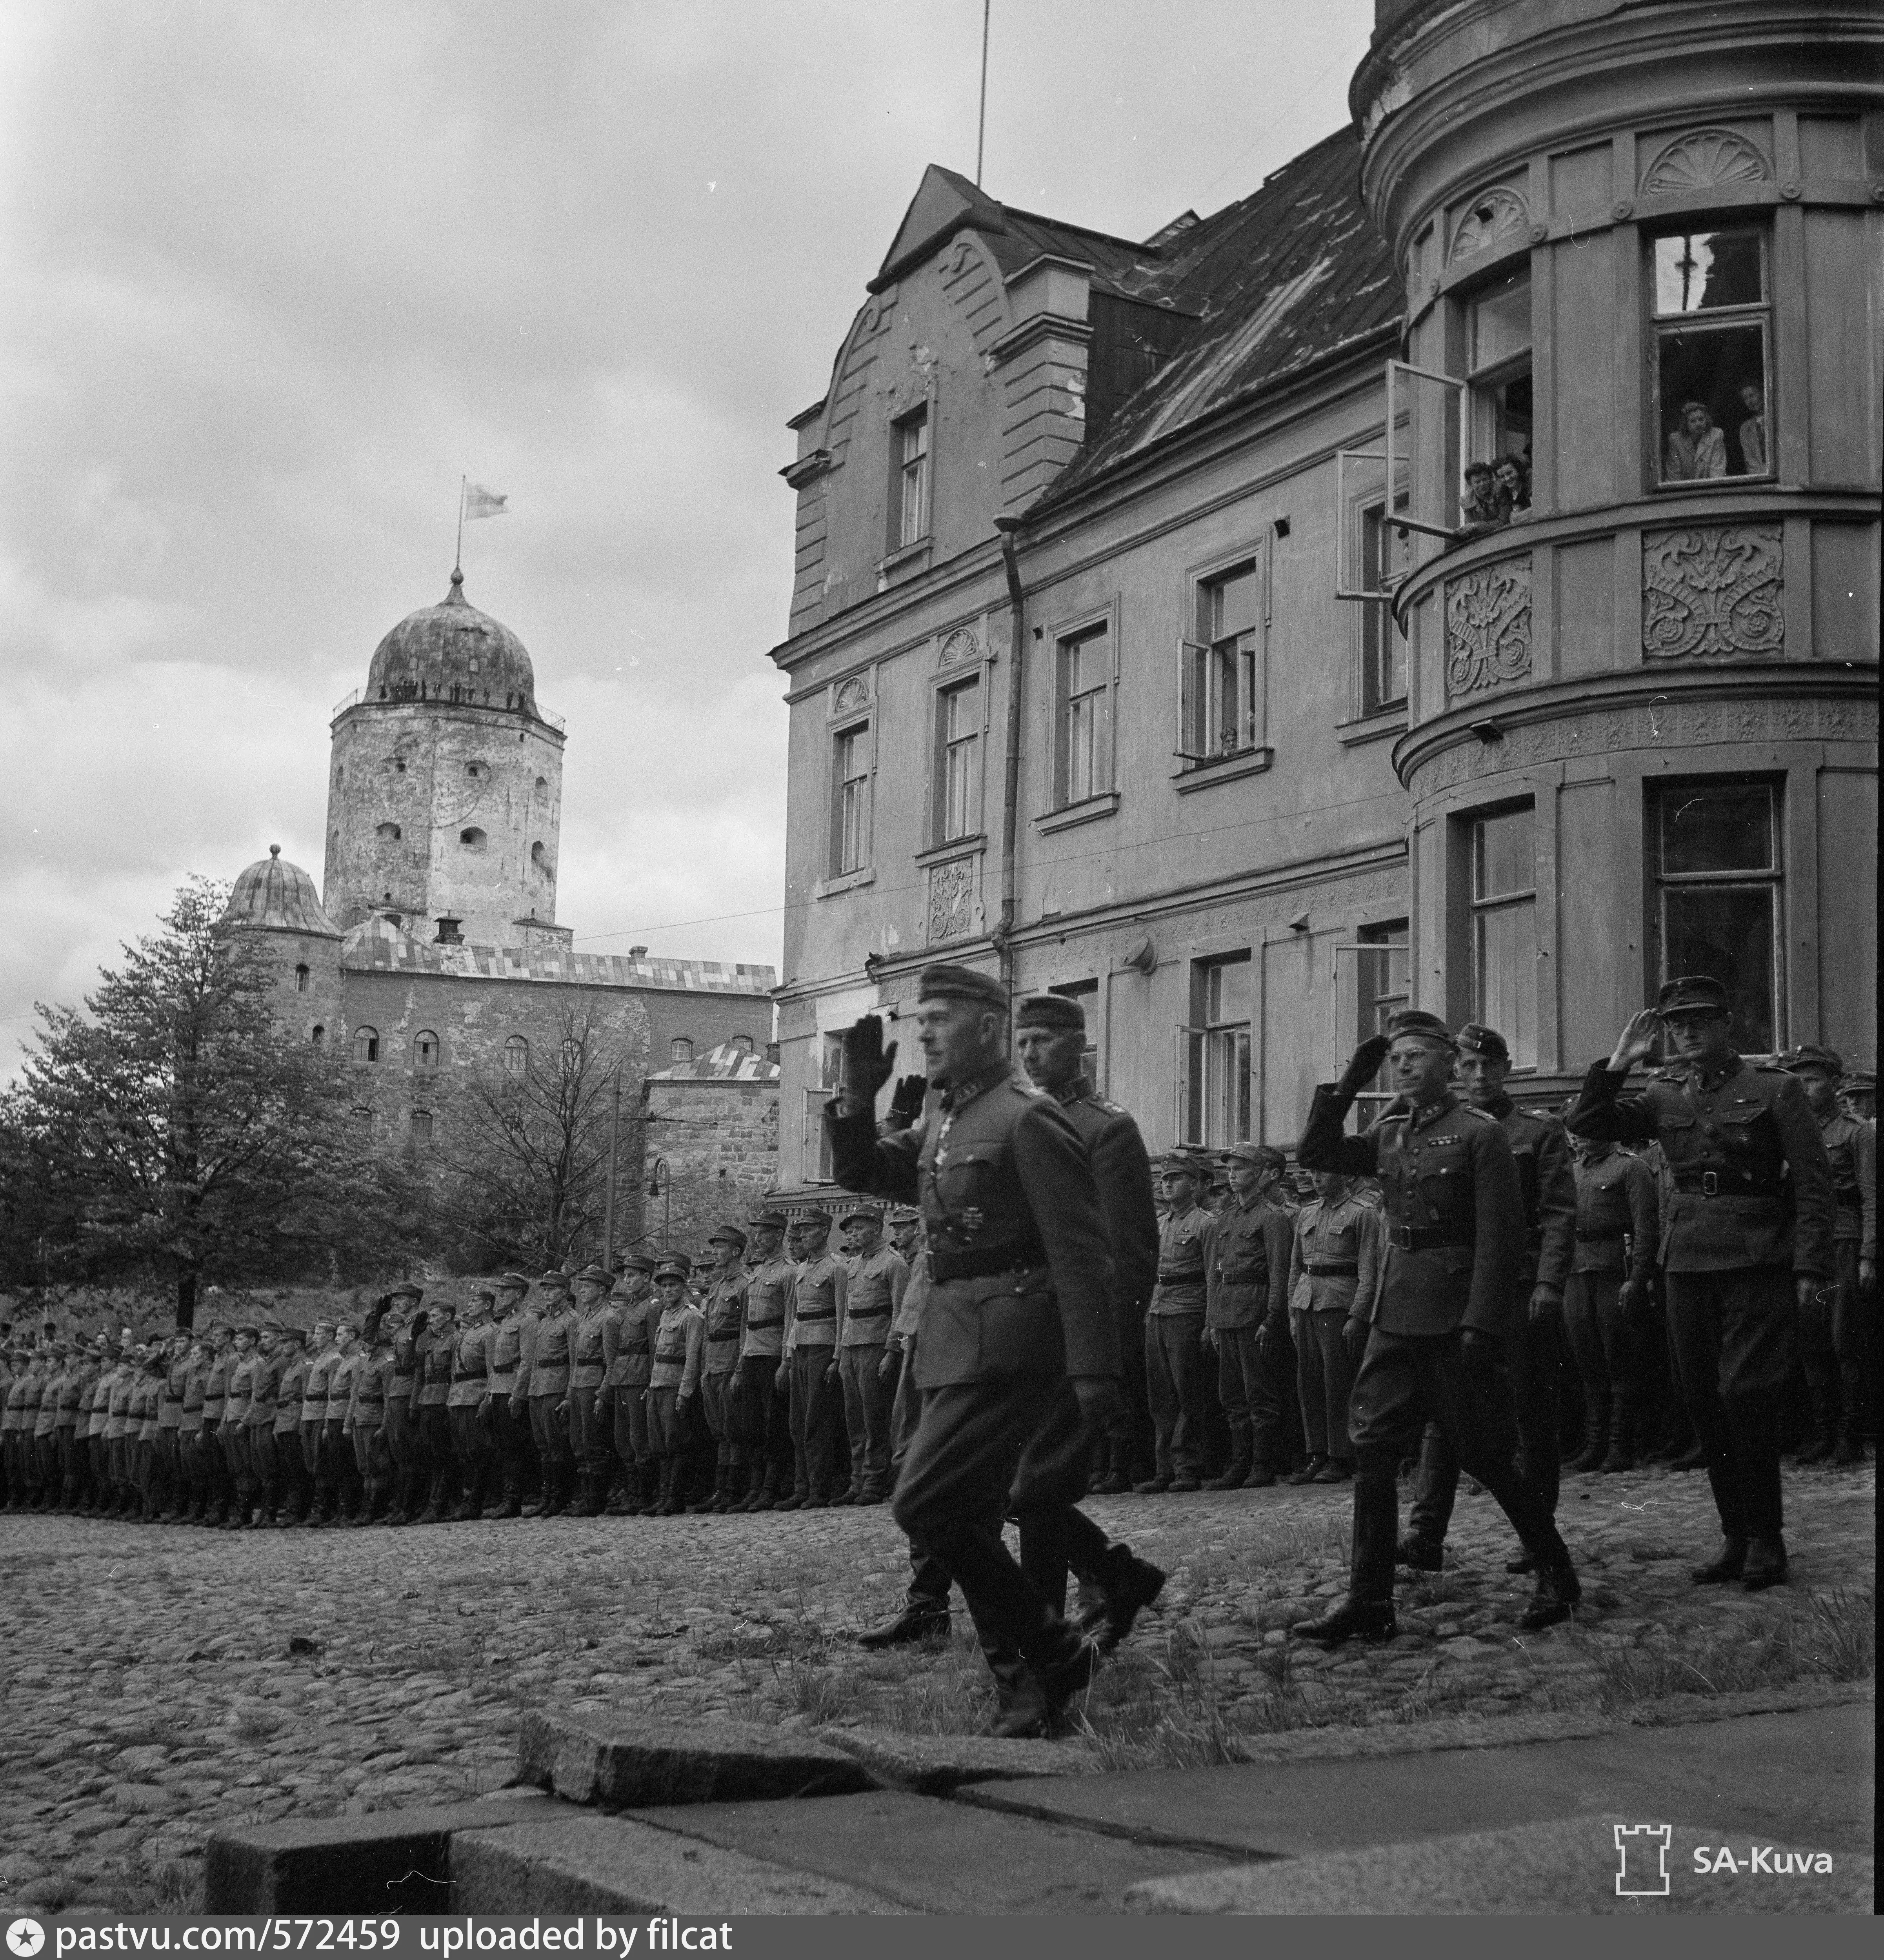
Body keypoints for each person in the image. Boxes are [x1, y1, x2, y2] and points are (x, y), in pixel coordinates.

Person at [825, 964, 1120, 1736]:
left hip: (1015, 1337)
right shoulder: (947, 1118)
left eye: (939, 1017)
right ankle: (1028, 1678)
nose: (922, 1030)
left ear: (988, 1028)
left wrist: (1092, 1366)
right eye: (920, 1018)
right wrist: (856, 1099)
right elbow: (863, 1172)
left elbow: (1082, 1251)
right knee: (962, 1511)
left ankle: (1049, 1652)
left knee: (923, 1501)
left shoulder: (1027, 1118)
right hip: (955, 1336)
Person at [1296, 1010, 1582, 1643]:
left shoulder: (1478, 1134)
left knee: (1484, 1453)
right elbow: (1317, 1153)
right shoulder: (1390, 1130)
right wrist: (1346, 1083)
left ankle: (1556, 1572)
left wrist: (1480, 1323)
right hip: (1393, 1317)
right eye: (1394, 1056)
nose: (1402, 1065)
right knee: (1371, 1452)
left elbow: (1500, 1238)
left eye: (1414, 1055)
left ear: (1446, 1064)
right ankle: (1368, 1600)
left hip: (1453, 1320)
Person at [1566, 975, 1836, 1589]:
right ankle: (1735, 1535)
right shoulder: (1662, 1093)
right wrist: (1618, 1063)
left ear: (1727, 1022)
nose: (1687, 1031)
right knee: (1703, 1399)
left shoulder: (1775, 1087)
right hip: (1685, 1256)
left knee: (1747, 1394)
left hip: (1757, 1257)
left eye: (1699, 1019)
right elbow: (1590, 1119)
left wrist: (1810, 1267)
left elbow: (1815, 1185)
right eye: (1676, 1023)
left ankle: (1768, 1536)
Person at [1404, 1023, 1577, 1571]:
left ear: (1505, 1069)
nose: (1479, 1077)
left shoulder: (1537, 1131)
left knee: (1532, 1409)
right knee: (1442, 1405)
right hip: (1460, 1286)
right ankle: (1426, 1534)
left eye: (1489, 1066)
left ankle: (1537, 1534)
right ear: (1455, 1069)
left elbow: (1557, 1213)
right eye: (1469, 1066)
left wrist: (1549, 1281)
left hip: (1522, 1287)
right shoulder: (1444, 1130)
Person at [1013, 990, 1158, 1499]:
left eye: (1044, 1040)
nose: (1031, 1053)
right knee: (1015, 1483)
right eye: (1023, 1041)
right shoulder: (1018, 1121)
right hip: (1015, 1331)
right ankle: (1107, 1571)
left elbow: (1129, 1255)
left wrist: (1103, 1356)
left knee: (1039, 1486)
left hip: (1075, 1336)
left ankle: (1091, 1572)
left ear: (1077, 1044)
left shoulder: (1106, 1129)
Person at [1778, 1045, 1874, 1465]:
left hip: (1845, 1243)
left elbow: (1873, 1198)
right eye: (1797, 1081)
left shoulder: (1857, 1133)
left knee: (1844, 1342)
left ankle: (1849, 1436)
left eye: (1812, 1080)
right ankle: (1822, 1432)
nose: (1804, 1088)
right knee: (1811, 1341)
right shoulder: (1793, 1132)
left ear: (1835, 1084)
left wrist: (1869, 1255)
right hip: (1806, 1248)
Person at [1561, 1135, 1659, 1471]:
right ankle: (1595, 1444)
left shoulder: (1631, 1168)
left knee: (1620, 1358)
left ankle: (1620, 1446)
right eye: (1575, 1128)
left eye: (1591, 1127)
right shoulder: (1572, 1170)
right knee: (1587, 1360)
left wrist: (1638, 1276)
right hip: (1576, 1270)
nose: (1580, 1135)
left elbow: (1646, 1226)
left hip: (1614, 1271)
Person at [1207, 1143, 1298, 1490]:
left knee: (1260, 1394)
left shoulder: (1273, 1218)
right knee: (1232, 1396)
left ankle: (1263, 1465)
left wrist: (1272, 1318)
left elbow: (1279, 1273)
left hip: (1254, 1312)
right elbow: (1217, 1271)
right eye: (1229, 1169)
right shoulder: (1227, 1218)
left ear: (1260, 1174)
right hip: (1228, 1313)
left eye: (1241, 1169)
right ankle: (1240, 1464)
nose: (1232, 1175)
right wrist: (1214, 1318)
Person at [1286, 1168, 1383, 1484]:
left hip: (1339, 1304)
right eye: (1312, 1172)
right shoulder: (1306, 1213)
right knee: (1309, 1382)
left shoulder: (1363, 1215)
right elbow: (1296, 1266)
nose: (1316, 1178)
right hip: (1306, 1302)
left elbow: (1370, 1271)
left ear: (1347, 1175)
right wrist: (1291, 1309)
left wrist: (1358, 1315)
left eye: (1324, 1172)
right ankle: (1317, 1454)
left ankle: (1342, 1456)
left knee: (1337, 1382)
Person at [1139, 1152, 1217, 1493]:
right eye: (1165, 1178)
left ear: (1195, 1184)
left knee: (1188, 1392)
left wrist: (1209, 1322)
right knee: (1160, 1395)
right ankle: (1164, 1469)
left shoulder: (1206, 1224)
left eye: (1176, 1178)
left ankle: (1188, 1467)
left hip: (1188, 1310)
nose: (1167, 1183)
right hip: (1158, 1310)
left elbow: (1213, 1278)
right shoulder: (1159, 1223)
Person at [834, 1207, 905, 1507]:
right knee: (855, 1419)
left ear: (877, 1228)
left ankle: (877, 1481)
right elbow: (845, 1315)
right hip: (852, 1348)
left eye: (860, 1228)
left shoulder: (895, 1264)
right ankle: (858, 1481)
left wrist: (891, 1353)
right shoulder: (851, 1266)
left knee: (876, 1418)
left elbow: (900, 1312)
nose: (854, 1234)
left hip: (876, 1348)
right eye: (851, 1229)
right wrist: (840, 1354)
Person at [781, 1208, 848, 1509]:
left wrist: (837, 1356)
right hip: (801, 1348)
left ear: (824, 1231)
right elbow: (794, 1316)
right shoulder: (802, 1268)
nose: (802, 1235)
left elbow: (843, 1313)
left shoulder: (838, 1267)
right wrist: (788, 1354)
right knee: (797, 1422)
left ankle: (819, 1490)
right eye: (800, 1230)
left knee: (817, 1422)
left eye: (808, 1230)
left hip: (823, 1347)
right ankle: (802, 1486)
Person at [733, 1216, 794, 1512]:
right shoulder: (756, 1274)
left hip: (773, 1355)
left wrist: (785, 1361)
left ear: (780, 1235)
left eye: (764, 1234)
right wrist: (740, 1365)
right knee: (752, 1426)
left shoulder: (789, 1272)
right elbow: (746, 1323)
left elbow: (791, 1320)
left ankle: (771, 1487)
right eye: (755, 1234)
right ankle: (755, 1487)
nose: (757, 1239)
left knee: (774, 1426)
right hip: (753, 1355)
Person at [513, 1271, 578, 1518]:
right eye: (545, 1289)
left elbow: (574, 1360)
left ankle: (560, 1498)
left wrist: (569, 1395)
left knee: (557, 1445)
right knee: (543, 1446)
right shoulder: (544, 1322)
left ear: (564, 1291)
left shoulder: (572, 1320)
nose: (547, 1293)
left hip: (557, 1386)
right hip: (538, 1387)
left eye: (552, 1289)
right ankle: (547, 1496)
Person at [694, 1229, 750, 1513]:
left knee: (734, 1430)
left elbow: (744, 1332)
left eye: (721, 1247)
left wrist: (740, 1368)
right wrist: (704, 1368)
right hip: (713, 1365)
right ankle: (720, 1490)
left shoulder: (745, 1285)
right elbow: (706, 1333)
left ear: (737, 1252)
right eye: (714, 1246)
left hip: (731, 1363)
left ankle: (733, 1491)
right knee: (719, 1431)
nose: (715, 1252)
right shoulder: (715, 1288)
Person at [646, 1258, 706, 1515]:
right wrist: (651, 1385)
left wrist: (685, 1391)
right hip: (658, 1385)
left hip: (674, 1386)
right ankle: (662, 1496)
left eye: (672, 1285)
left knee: (676, 1443)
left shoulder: (691, 1316)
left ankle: (675, 1497)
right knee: (660, 1445)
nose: (667, 1290)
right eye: (664, 1286)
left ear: (683, 1286)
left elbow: (692, 1358)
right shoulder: (665, 1314)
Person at [605, 1257, 658, 1516]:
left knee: (640, 1440)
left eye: (633, 1275)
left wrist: (651, 1382)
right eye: (625, 1276)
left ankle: (643, 1495)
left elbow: (655, 1348)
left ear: (647, 1277)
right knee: (623, 1440)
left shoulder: (652, 1307)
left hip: (640, 1378)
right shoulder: (628, 1308)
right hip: (623, 1378)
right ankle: (631, 1491)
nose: (627, 1280)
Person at [484, 1273, 536, 1519]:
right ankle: (509, 1497)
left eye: (505, 1291)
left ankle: (515, 1500)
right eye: (499, 1291)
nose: (500, 1296)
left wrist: (518, 1394)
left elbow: (527, 1362)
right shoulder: (504, 1322)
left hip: (512, 1390)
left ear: (518, 1293)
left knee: (515, 1446)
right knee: (502, 1446)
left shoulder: (527, 1321)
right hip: (498, 1388)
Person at [566, 1268, 618, 1517]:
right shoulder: (584, 1318)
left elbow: (612, 1362)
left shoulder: (608, 1318)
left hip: (594, 1385)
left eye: (588, 1286)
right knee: (579, 1443)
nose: (582, 1289)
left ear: (602, 1290)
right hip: (578, 1385)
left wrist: (603, 1394)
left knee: (594, 1443)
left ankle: (596, 1500)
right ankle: (586, 1498)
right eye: (582, 1285)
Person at [381, 1283, 425, 1524]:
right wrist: (379, 1312)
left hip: (409, 1390)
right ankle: (403, 1505)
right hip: (397, 1389)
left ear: (414, 1301)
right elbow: (370, 1336)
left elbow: (417, 1365)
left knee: (410, 1451)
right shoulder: (402, 1328)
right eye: (395, 1298)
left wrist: (415, 1399)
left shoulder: (420, 1326)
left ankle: (411, 1507)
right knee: (399, 1450)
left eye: (402, 1298)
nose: (396, 1302)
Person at [410, 1303, 457, 1524]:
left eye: (435, 1316)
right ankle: (438, 1504)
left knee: (442, 1456)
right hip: (427, 1399)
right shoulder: (431, 1340)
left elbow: (458, 1373)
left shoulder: (456, 1339)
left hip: (444, 1399)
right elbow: (418, 1365)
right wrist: (415, 1404)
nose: (431, 1320)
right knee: (430, 1454)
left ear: (448, 1317)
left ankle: (439, 1506)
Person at [272, 1326, 312, 1524]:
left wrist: (301, 1424)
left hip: (295, 1421)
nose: (280, 1347)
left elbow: (306, 1398)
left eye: (284, 1343)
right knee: (289, 1468)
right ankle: (292, 1508)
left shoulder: (305, 1366)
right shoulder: (290, 1367)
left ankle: (297, 1511)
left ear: (296, 1344)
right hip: (284, 1420)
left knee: (297, 1468)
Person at [1664, 401, 1727, 481]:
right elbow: (1674, 475)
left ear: (1706, 419)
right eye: (1693, 421)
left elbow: (1717, 473)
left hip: (1711, 489)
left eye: (1701, 419)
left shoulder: (1716, 435)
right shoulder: (1676, 440)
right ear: (1686, 424)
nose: (1698, 424)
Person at [1458, 461, 1509, 534]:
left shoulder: (1500, 491)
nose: (1482, 484)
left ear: (1491, 479)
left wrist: (1476, 526)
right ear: (1470, 484)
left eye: (1485, 480)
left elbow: (1503, 522)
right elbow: (1471, 528)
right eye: (1478, 482)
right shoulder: (1466, 501)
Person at [1736, 381, 1767, 475]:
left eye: (1752, 395)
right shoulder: (1746, 428)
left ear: (1762, 393)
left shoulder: (1777, 420)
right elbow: (1750, 460)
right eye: (1746, 398)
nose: (1750, 401)